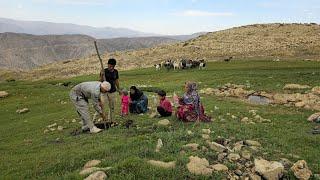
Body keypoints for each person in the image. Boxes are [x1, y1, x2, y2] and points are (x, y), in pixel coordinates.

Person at [99, 58, 120, 122]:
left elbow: (116, 80)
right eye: (109, 65)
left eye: (112, 66)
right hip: (104, 92)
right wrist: (102, 75)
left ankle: (111, 120)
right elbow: (100, 81)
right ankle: (96, 120)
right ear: (108, 64)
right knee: (101, 106)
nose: (111, 67)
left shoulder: (116, 71)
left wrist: (118, 89)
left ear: (114, 66)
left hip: (113, 91)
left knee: (112, 107)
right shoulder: (104, 71)